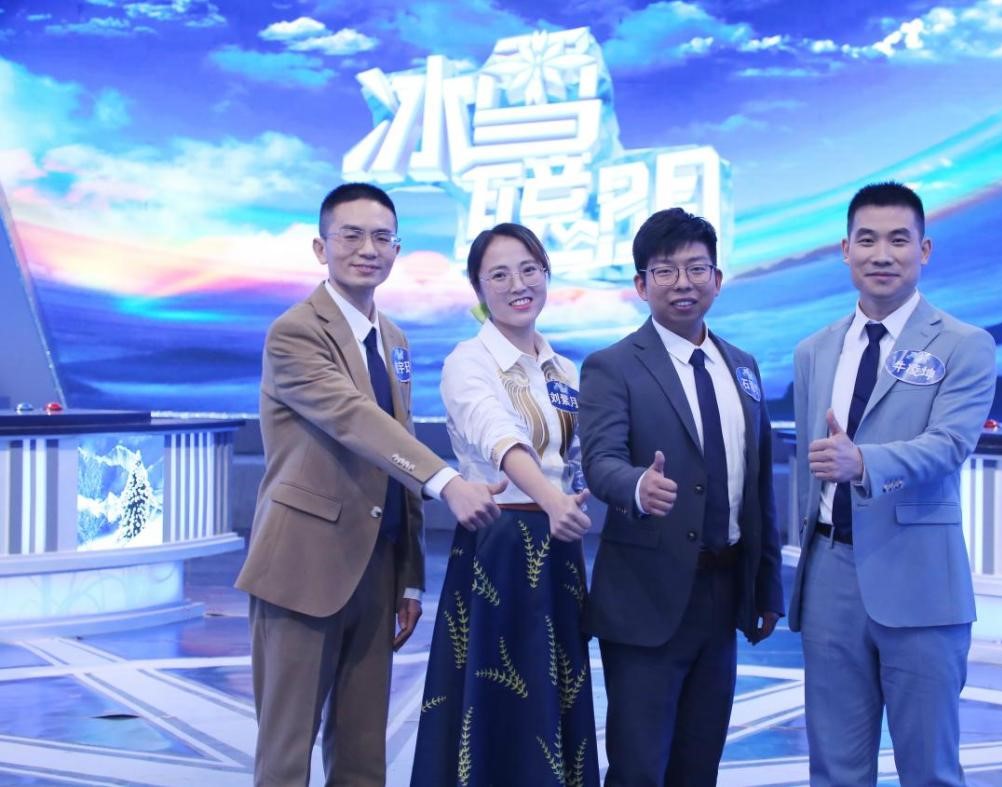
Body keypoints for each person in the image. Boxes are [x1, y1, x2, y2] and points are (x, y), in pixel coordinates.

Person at [235, 182, 505, 786]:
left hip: (377, 571)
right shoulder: (295, 331)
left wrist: (409, 574)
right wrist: (448, 481)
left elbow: (396, 448)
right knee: (286, 754)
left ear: (397, 249)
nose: (368, 249)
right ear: (320, 247)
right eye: (351, 235)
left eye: (382, 237)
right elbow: (354, 419)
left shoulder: (395, 341)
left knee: (362, 757)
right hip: (303, 567)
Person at [789, 181, 996, 786]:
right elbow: (808, 467)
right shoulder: (813, 351)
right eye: (867, 240)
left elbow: (949, 444)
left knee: (929, 768)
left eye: (899, 240)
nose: (882, 254)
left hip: (920, 574)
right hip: (830, 575)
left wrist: (863, 463)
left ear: (924, 250)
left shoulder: (965, 345)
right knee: (835, 768)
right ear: (845, 251)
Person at [579, 207, 785, 785]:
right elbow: (599, 461)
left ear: (717, 279)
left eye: (697, 268)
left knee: (699, 765)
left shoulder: (742, 367)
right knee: (640, 769)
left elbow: (758, 484)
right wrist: (638, 487)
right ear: (641, 284)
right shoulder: (612, 366)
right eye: (665, 271)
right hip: (646, 597)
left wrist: (766, 585)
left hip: (723, 592)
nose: (683, 283)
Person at [410, 223, 599, 786]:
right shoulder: (467, 361)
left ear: (546, 275)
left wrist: (594, 487)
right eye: (499, 275)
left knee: (554, 697)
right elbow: (499, 437)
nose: (518, 285)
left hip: (559, 549)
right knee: (494, 705)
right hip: (499, 546)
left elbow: (577, 455)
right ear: (478, 288)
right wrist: (551, 499)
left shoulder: (563, 368)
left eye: (529, 270)